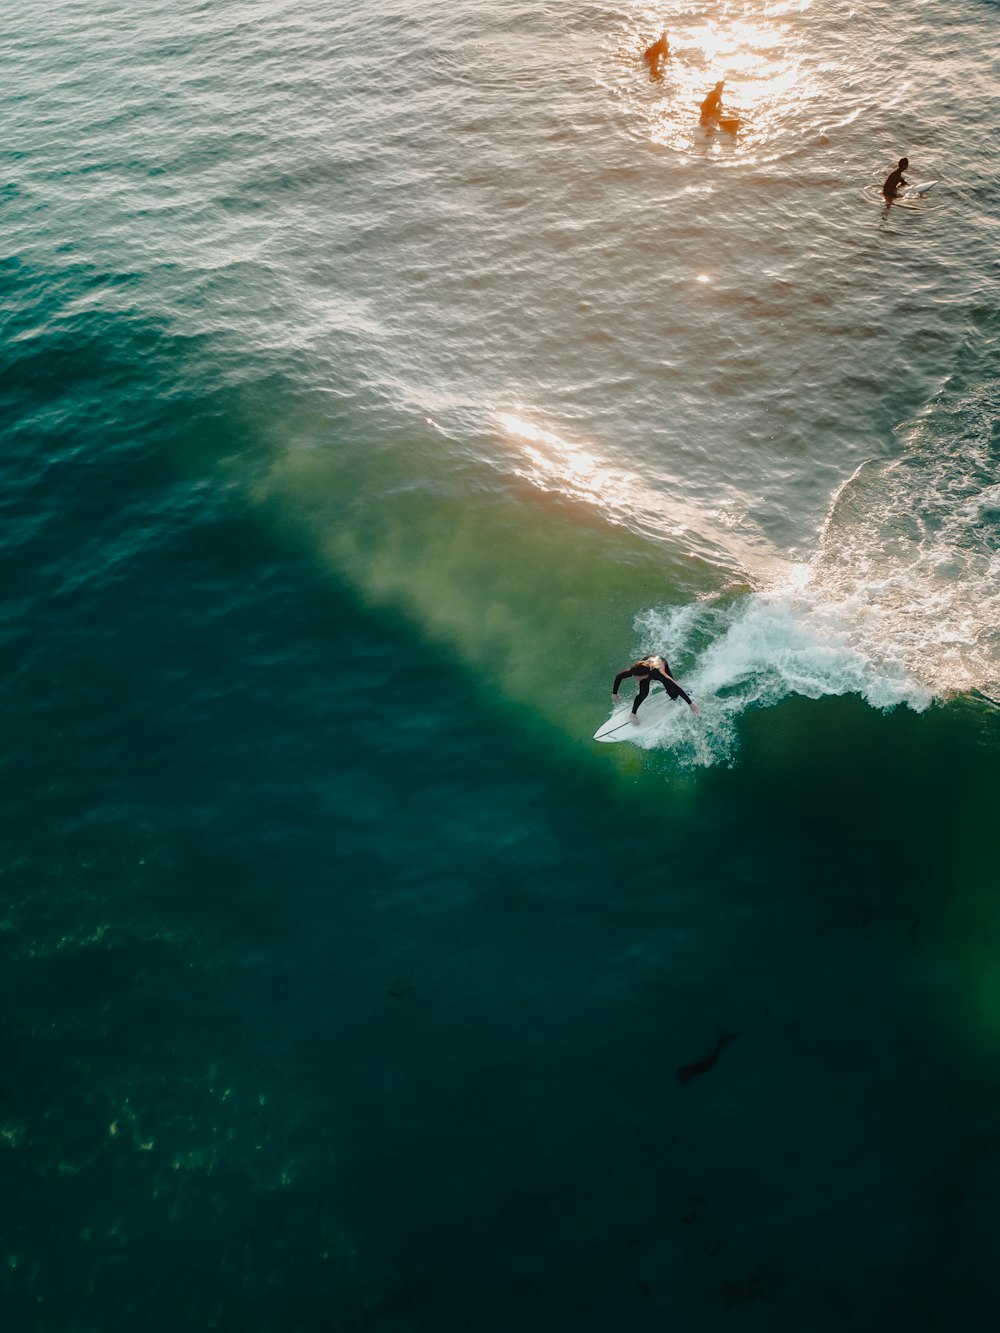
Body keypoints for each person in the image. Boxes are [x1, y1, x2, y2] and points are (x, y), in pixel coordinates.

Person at [613, 654, 700, 722]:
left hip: (660, 662)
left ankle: (678, 695)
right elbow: (619, 676)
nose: (633, 677)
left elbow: (675, 686)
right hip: (645, 664)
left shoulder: (658, 673)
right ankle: (633, 714)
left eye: (635, 676)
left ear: (641, 675)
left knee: (673, 693)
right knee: (643, 693)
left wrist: (690, 703)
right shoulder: (637, 671)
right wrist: (614, 693)